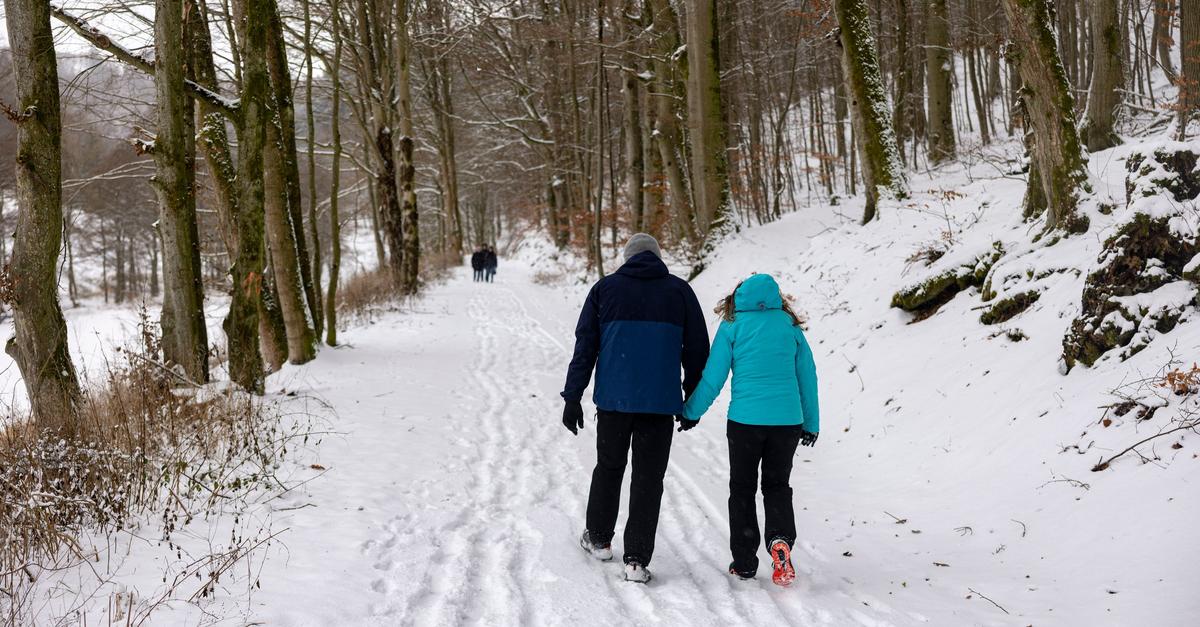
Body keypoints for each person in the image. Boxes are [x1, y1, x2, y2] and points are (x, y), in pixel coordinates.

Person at [562, 233, 709, 584]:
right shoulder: (679, 292)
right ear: (658, 257)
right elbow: (697, 351)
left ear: (627, 257)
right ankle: (636, 560)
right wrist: (691, 400)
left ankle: (599, 539)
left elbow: (585, 347)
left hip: (614, 402)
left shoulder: (605, 290)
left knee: (609, 468)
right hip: (659, 405)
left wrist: (573, 396)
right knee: (648, 479)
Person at [681, 274, 819, 587]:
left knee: (742, 489)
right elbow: (807, 376)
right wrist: (811, 423)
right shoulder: (789, 326)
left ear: (738, 296)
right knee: (777, 486)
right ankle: (780, 541)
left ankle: (744, 562)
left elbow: (713, 378)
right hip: (787, 423)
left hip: (745, 423)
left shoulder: (733, 325)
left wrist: (691, 412)